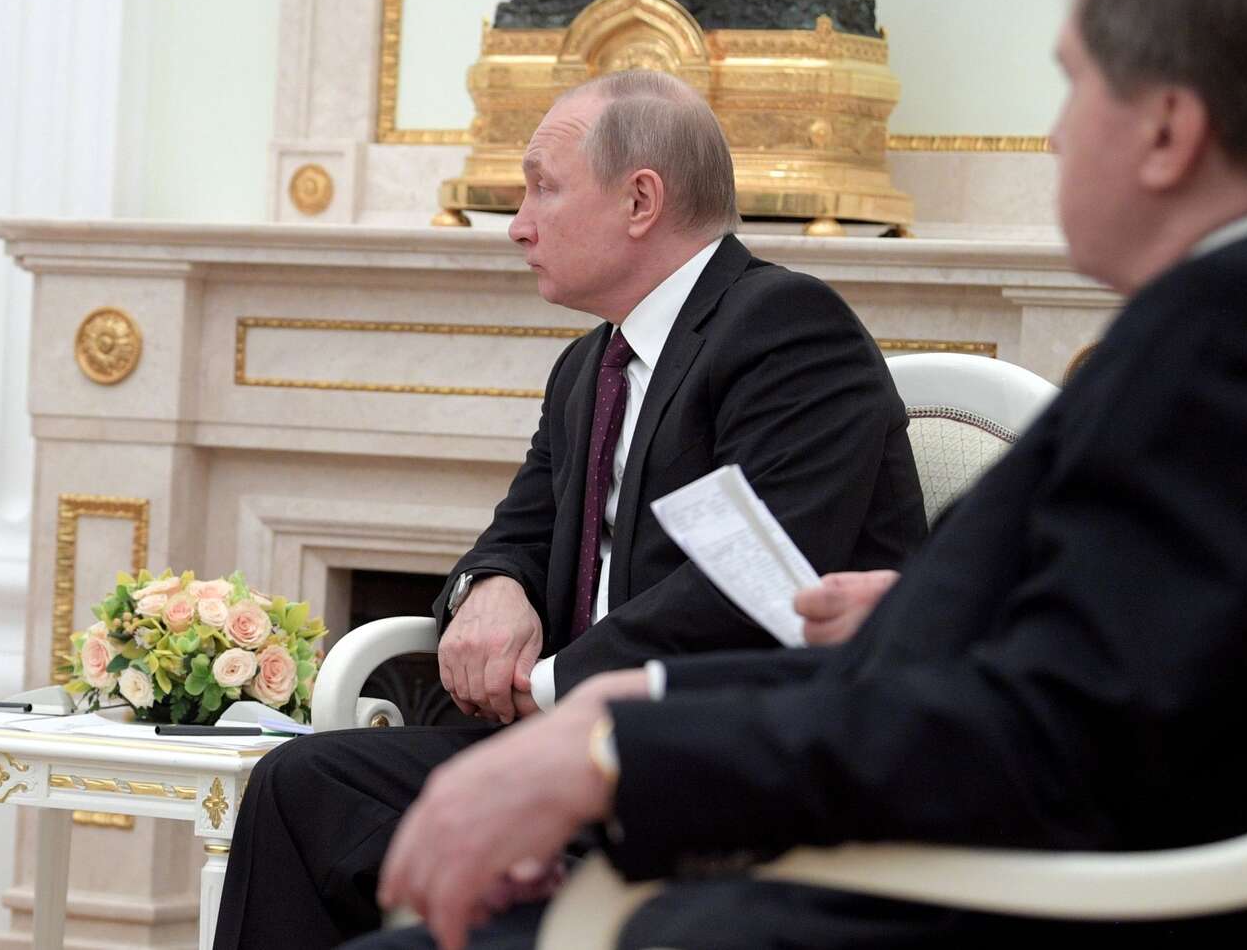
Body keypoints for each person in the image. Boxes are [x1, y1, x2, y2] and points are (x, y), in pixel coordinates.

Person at [368, 0, 1247, 950]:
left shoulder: (1209, 351)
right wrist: (916, 614)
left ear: (1167, 130)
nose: (1056, 136)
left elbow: (1056, 734)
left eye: (1072, 86)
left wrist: (615, 746)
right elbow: (1126, 659)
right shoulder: (1195, 335)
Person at [212, 70, 926, 948]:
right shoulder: (590, 366)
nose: (518, 224)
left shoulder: (786, 327)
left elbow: (753, 586)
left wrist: (545, 689)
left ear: (640, 200)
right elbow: (517, 531)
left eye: (543, 188)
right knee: (300, 783)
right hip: (584, 745)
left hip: (725, 759)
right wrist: (492, 588)